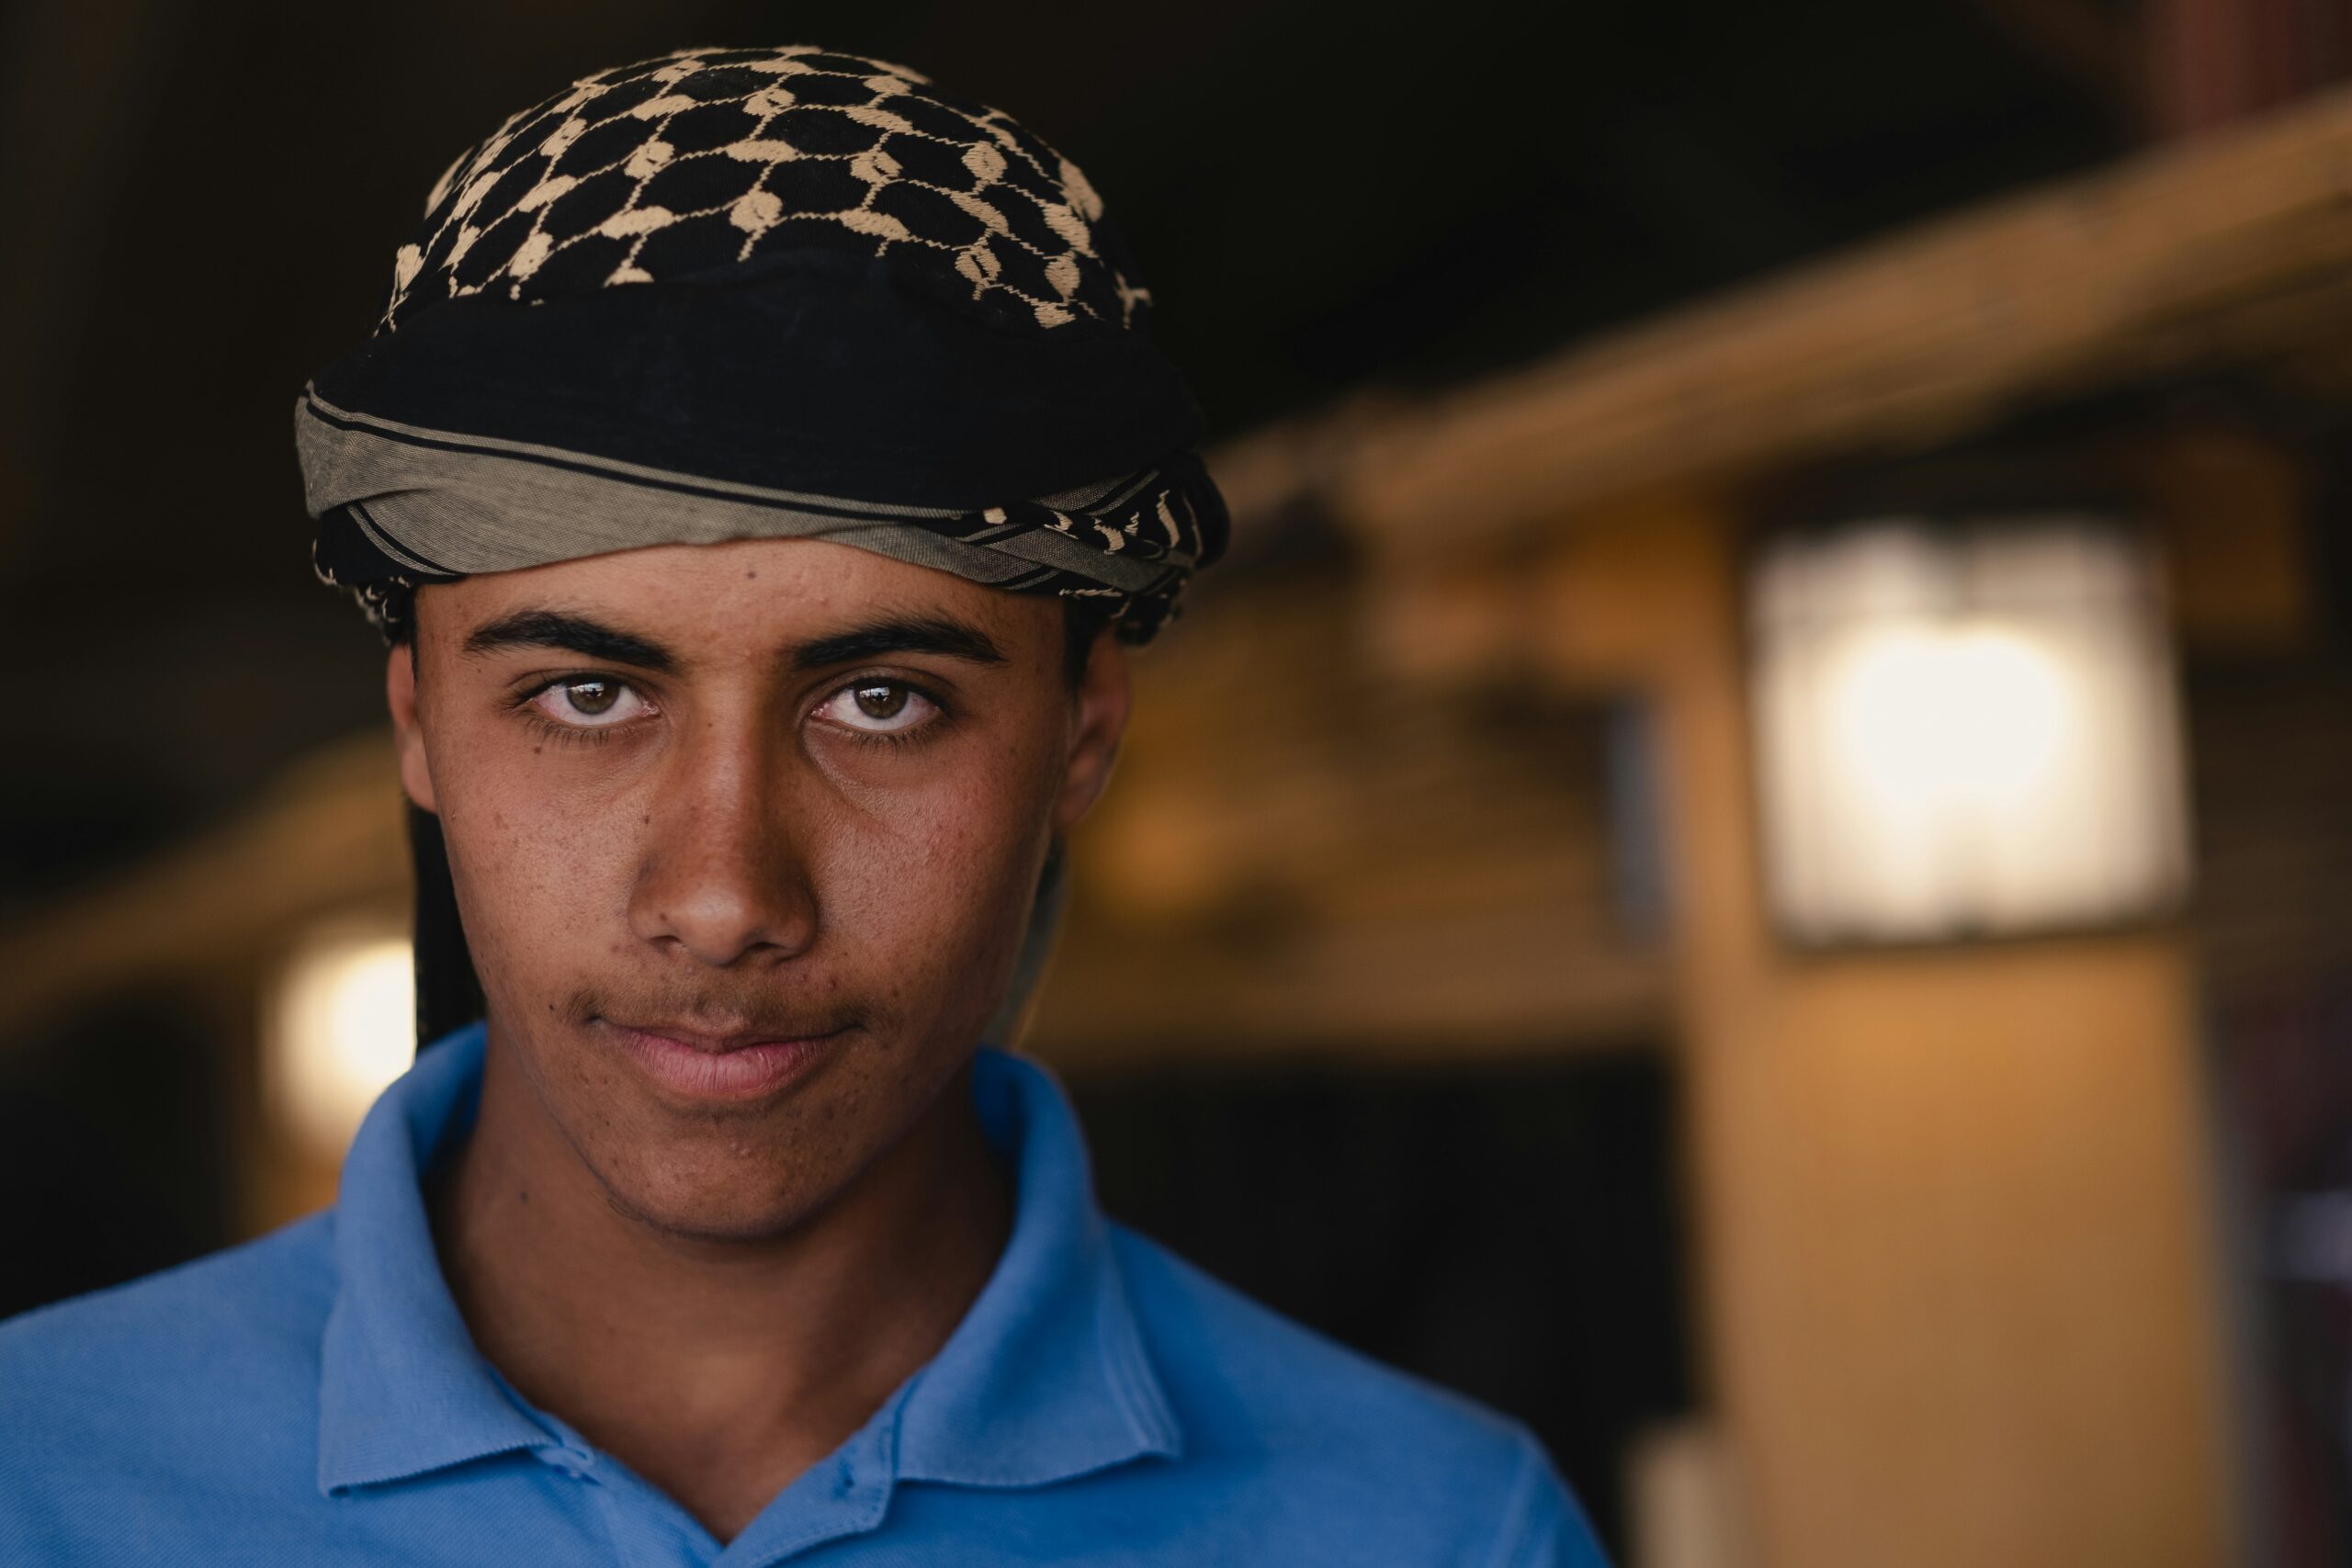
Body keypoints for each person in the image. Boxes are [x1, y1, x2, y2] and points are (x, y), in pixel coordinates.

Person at [0, 46, 1609, 1566]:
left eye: (882, 700)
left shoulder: (1427, 1530)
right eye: (585, 694)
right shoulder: (44, 1481)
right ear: (421, 723)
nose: (722, 891)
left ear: (1080, 732)